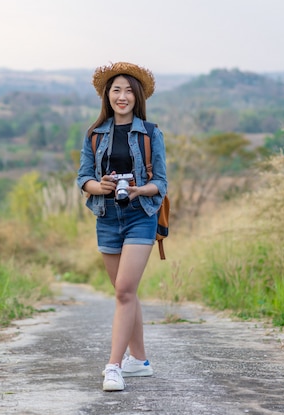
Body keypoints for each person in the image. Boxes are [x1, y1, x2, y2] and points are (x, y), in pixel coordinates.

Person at [76, 62, 168, 392]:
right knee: (126, 293)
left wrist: (140, 189)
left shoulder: (150, 133)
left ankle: (113, 366)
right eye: (116, 90)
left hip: (140, 214)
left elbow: (161, 182)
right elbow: (82, 175)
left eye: (129, 90)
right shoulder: (95, 133)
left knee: (123, 291)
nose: (122, 96)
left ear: (138, 96)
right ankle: (139, 361)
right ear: (107, 96)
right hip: (107, 217)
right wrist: (95, 186)